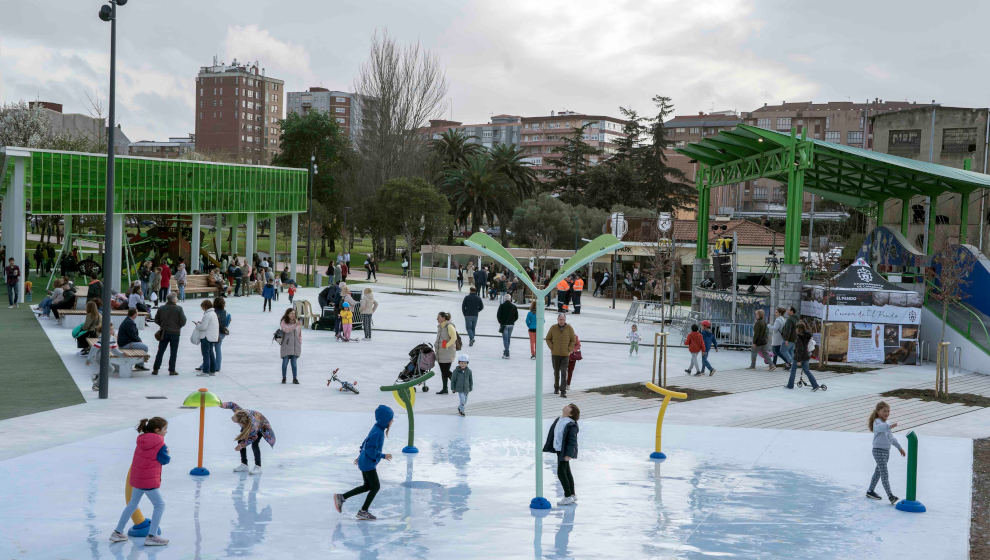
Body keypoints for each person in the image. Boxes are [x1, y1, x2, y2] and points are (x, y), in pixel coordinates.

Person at [109, 417, 170, 546]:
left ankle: (117, 532)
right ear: (157, 430)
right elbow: (164, 460)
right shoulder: (160, 443)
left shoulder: (142, 440)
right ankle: (152, 536)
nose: (166, 432)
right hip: (148, 480)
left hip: (137, 478)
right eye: (165, 429)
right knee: (160, 505)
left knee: (132, 504)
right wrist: (167, 452)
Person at [333, 405, 394, 521]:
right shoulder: (379, 433)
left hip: (364, 461)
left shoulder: (376, 428)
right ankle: (363, 511)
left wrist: (360, 455)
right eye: (391, 419)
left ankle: (341, 497)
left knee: (367, 486)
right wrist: (383, 456)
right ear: (385, 420)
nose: (392, 421)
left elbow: (365, 442)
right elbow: (371, 450)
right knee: (375, 486)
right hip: (368, 463)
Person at [221, 401, 275, 475]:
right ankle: (244, 465)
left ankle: (258, 467)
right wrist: (222, 404)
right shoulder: (240, 413)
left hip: (261, 426)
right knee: (240, 440)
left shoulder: (253, 427)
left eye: (236, 422)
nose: (233, 420)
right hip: (251, 423)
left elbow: (253, 437)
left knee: (254, 445)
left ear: (242, 423)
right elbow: (232, 405)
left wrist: (241, 445)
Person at [866, 401, 905, 504]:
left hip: (886, 452)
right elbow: (879, 428)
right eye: (884, 411)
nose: (887, 413)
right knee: (884, 473)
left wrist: (899, 448)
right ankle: (890, 496)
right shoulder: (877, 422)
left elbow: (891, 438)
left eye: (888, 411)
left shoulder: (887, 423)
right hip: (878, 451)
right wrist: (889, 426)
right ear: (878, 412)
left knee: (878, 472)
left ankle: (870, 491)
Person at [543, 403, 580, 506]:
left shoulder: (571, 424)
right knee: (567, 472)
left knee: (561, 473)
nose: (566, 406)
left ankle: (567, 496)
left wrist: (568, 454)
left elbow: (572, 441)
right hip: (559, 449)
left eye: (569, 407)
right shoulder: (559, 419)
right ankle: (572, 495)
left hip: (564, 451)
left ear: (571, 414)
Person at [152, 293, 186, 376]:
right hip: (175, 333)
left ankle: (155, 369)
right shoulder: (179, 309)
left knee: (160, 351)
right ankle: (172, 370)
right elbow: (183, 321)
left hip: (164, 332)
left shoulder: (162, 308)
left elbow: (156, 320)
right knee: (173, 352)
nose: (177, 299)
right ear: (173, 299)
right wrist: (178, 326)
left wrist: (162, 325)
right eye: (176, 297)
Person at [786, 321, 826, 391]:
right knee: (807, 371)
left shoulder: (799, 338)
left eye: (796, 328)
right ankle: (815, 385)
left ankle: (790, 385)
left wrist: (799, 360)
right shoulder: (806, 336)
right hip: (806, 355)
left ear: (799, 329)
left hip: (799, 357)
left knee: (793, 370)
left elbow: (799, 349)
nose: (795, 329)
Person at [545, 313, 577, 398]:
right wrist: (552, 347)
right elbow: (548, 338)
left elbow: (573, 340)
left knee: (563, 372)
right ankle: (556, 387)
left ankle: (563, 391)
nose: (561, 321)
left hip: (565, 355)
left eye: (563, 319)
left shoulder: (569, 328)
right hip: (555, 354)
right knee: (556, 372)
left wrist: (569, 349)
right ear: (557, 320)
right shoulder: (553, 328)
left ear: (565, 320)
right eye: (560, 319)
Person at [193, 299, 219, 376]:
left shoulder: (207, 314)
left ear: (205, 306)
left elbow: (203, 327)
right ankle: (212, 370)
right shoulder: (213, 313)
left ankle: (205, 371)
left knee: (206, 354)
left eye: (202, 307)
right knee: (211, 354)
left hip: (206, 337)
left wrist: (197, 325)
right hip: (212, 337)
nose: (202, 309)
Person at [435, 311, 459, 394]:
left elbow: (454, 338)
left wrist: (447, 345)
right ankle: (445, 389)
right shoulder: (440, 327)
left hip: (447, 353)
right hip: (441, 353)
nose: (437, 319)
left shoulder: (449, 326)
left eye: (438, 317)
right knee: (443, 372)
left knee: (445, 371)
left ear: (443, 318)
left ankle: (457, 384)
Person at [280, 308, 302, 384]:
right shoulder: (283, 322)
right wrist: (295, 325)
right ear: (287, 314)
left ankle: (295, 378)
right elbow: (286, 330)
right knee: (285, 363)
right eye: (291, 313)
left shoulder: (297, 322)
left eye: (294, 313)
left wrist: (299, 342)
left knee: (294, 364)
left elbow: (299, 334)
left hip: (295, 346)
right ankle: (284, 378)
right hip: (286, 346)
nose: (293, 315)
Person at [495, 294, 519, 359]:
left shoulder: (502, 306)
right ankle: (506, 351)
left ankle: (507, 352)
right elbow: (516, 316)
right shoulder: (514, 306)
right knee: (508, 338)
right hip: (511, 325)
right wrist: (512, 321)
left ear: (505, 299)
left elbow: (498, 315)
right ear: (510, 299)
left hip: (504, 324)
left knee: (505, 339)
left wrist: (501, 322)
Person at [212, 297, 231, 374]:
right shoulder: (226, 313)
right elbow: (227, 323)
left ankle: (206, 365)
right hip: (222, 333)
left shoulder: (213, 313)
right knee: (218, 349)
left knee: (208, 349)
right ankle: (217, 366)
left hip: (214, 333)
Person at [778, 306, 799, 371]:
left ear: (791, 311)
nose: (787, 311)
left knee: (783, 350)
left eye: (788, 310)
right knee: (790, 351)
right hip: (794, 338)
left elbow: (788, 330)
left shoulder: (790, 319)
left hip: (789, 339)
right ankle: (789, 365)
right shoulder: (796, 319)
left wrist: (786, 339)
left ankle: (792, 363)